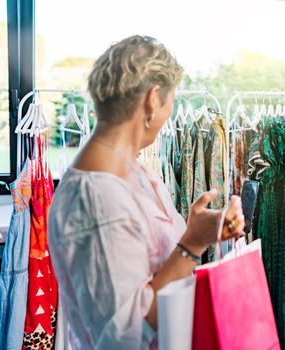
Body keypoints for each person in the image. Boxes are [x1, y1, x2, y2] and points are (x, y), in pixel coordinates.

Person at [48, 35, 245, 349]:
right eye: (172, 102)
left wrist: (201, 229)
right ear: (153, 99)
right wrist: (192, 243)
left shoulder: (136, 170)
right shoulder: (95, 198)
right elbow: (124, 334)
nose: (169, 113)